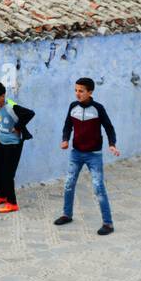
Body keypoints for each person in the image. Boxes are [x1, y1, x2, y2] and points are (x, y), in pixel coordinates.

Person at [55, 78, 120, 236]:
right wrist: (65, 140)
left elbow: (109, 128)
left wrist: (112, 144)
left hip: (94, 155)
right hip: (76, 154)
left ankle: (108, 223)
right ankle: (67, 214)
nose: (77, 93)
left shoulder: (98, 108)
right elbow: (67, 126)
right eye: (76, 90)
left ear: (90, 92)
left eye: (81, 91)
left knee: (98, 188)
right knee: (69, 184)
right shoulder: (73, 106)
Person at [0, 82, 35, 213]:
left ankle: (12, 203)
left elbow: (30, 113)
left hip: (13, 146)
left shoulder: (11, 106)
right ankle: (2, 196)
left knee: (7, 174)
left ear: (2, 96)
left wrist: (17, 127)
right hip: (1, 143)